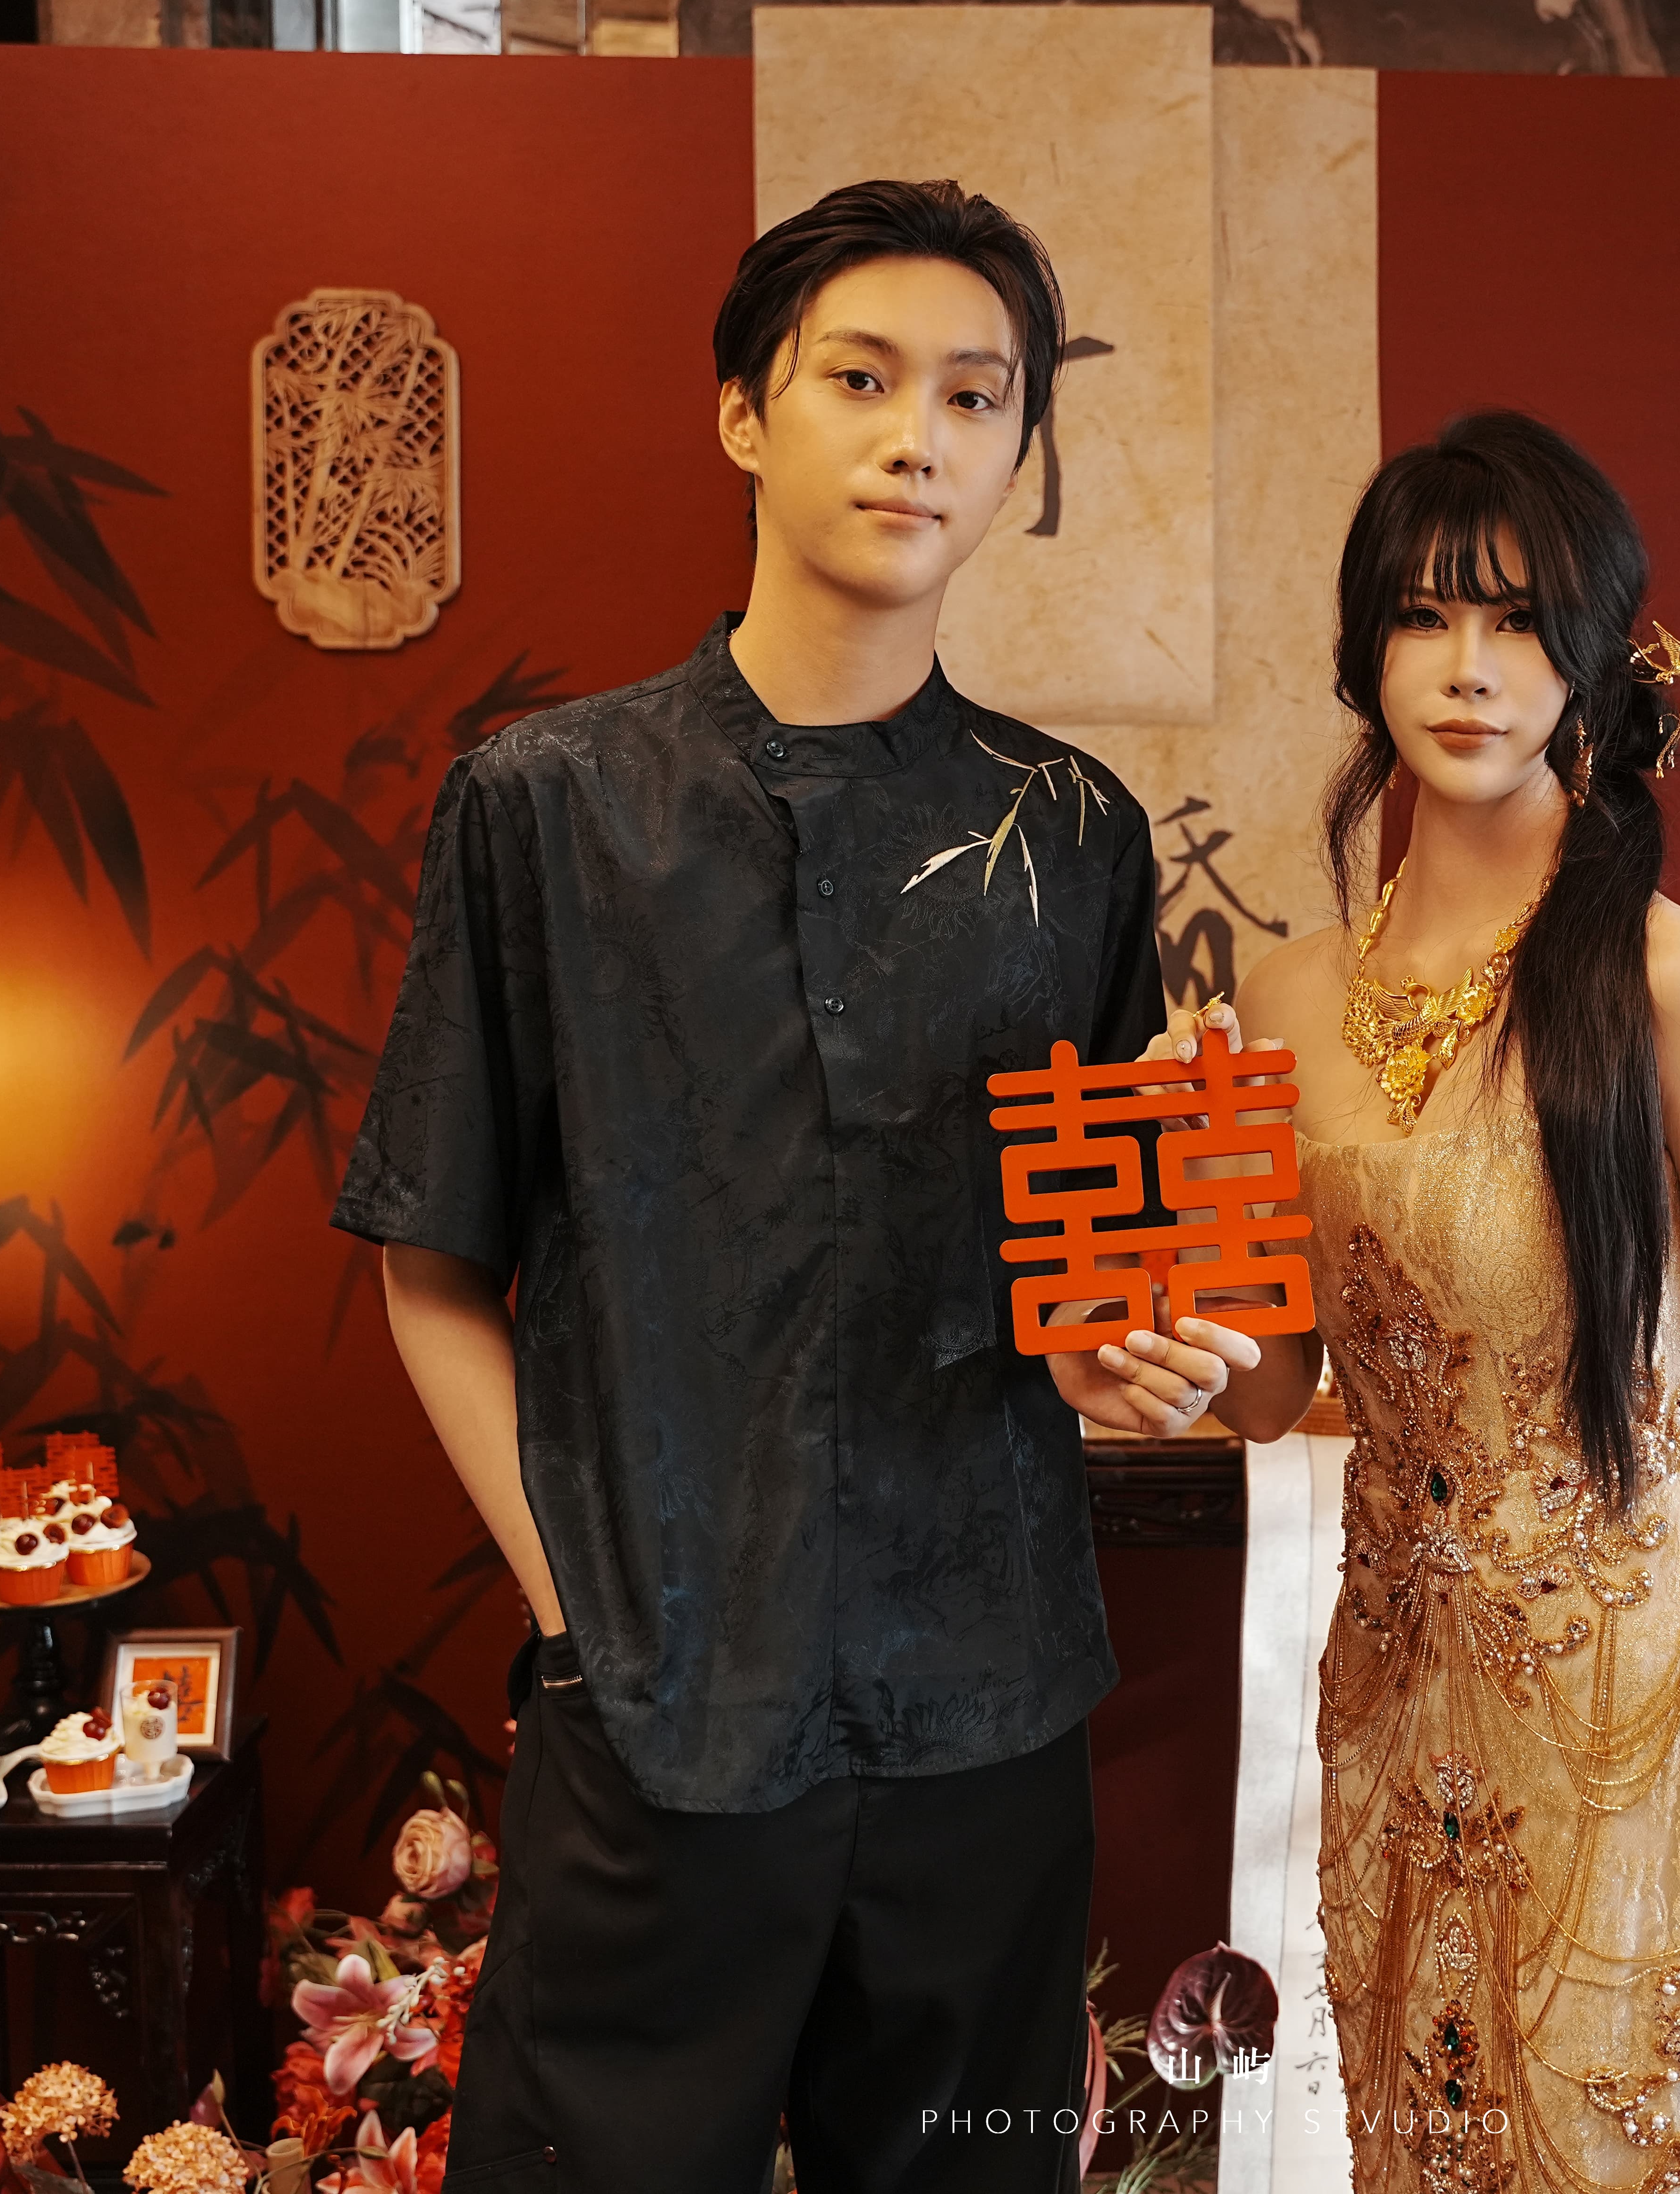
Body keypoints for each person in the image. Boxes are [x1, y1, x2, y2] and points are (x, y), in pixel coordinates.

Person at [332, 179, 1188, 2194]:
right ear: (743, 412)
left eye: (975, 397)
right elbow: (429, 1260)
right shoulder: (550, 804)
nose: (919, 439)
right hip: (661, 1713)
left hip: (987, 1720)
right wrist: (578, 1609)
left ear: (1018, 452)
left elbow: (1105, 1272)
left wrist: (1113, 1355)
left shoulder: (1073, 831)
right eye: (861, 380)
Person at [1118, 411, 1680, 2190]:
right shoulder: (1284, 997)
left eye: (1520, 623)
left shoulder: (1666, 974)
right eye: (1426, 617)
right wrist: (1186, 1221)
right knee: (1414, 2134)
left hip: (1625, 1667)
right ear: (1365, 653)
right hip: (1393, 1660)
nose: (1469, 668)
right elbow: (1272, 1392)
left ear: (1591, 662)